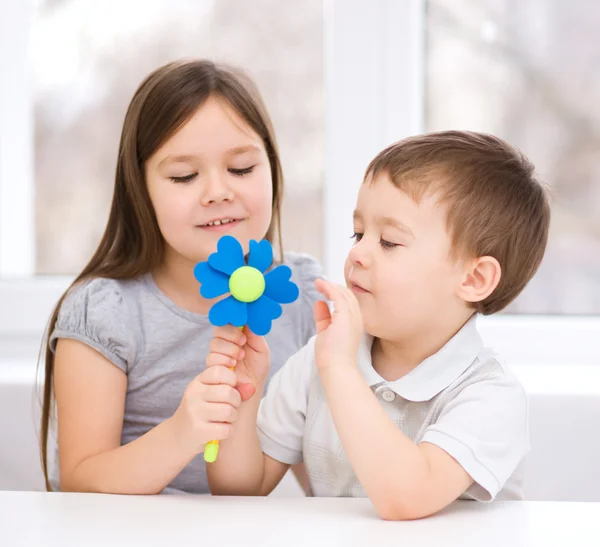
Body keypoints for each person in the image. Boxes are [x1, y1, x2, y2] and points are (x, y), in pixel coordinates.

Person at [206, 130, 551, 519]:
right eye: (358, 233)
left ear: (473, 279)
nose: (357, 252)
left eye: (388, 241)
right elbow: (240, 489)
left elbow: (406, 497)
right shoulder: (319, 360)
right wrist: (243, 396)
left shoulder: (490, 396)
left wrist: (338, 369)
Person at [39, 59, 321, 494]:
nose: (218, 192)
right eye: (184, 176)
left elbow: (324, 476)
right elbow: (80, 482)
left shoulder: (301, 294)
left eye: (242, 168)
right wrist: (181, 433)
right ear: (140, 189)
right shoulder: (105, 313)